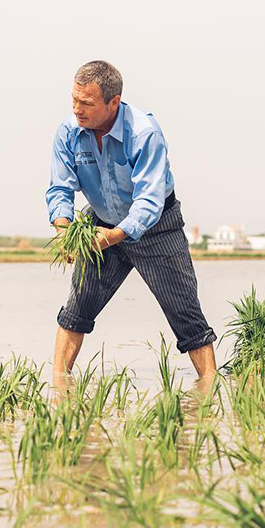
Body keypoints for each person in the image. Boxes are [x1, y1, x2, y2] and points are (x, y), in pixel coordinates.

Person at [46, 61, 219, 387]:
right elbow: (60, 188)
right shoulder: (68, 132)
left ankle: (208, 392)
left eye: (87, 103)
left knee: (187, 316)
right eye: (74, 100)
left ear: (114, 102)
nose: (77, 109)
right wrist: (65, 231)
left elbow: (149, 200)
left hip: (156, 228)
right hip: (99, 224)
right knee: (76, 310)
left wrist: (116, 236)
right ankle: (58, 388)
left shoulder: (143, 132)